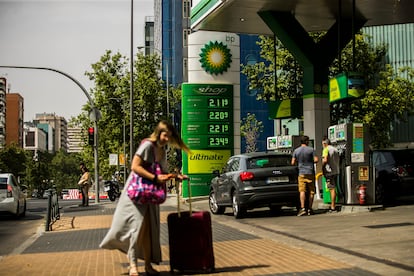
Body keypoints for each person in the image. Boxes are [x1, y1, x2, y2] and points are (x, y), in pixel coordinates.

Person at [100, 120, 190, 276]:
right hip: (137, 194)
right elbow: (135, 166)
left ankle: (148, 265)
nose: (167, 139)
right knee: (136, 228)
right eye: (164, 135)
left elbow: (162, 171)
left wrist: (176, 176)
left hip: (151, 194)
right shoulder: (148, 145)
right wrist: (155, 178)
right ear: (158, 133)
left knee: (150, 231)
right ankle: (133, 265)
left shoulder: (162, 150)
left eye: (169, 136)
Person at [291, 135, 318, 216]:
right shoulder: (311, 150)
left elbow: (292, 162)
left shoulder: (296, 151)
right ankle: (309, 208)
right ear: (307, 141)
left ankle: (302, 208)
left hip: (301, 173)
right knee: (311, 191)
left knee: (302, 191)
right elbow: (316, 160)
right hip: (310, 172)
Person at [322, 138, 340, 213]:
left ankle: (333, 206)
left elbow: (325, 160)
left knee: (331, 189)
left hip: (329, 172)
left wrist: (322, 167)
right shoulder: (335, 149)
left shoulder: (326, 149)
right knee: (334, 187)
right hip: (336, 171)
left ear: (325, 144)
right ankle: (333, 205)